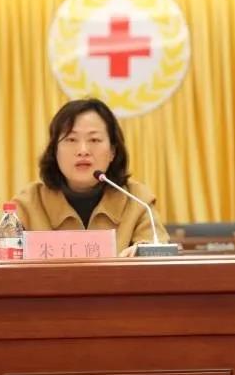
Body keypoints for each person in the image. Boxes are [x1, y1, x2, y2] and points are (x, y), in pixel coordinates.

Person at [13, 98, 168, 257]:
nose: (83, 150)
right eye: (71, 139)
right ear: (54, 150)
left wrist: (143, 253)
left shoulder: (138, 201)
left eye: (94, 140)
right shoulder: (27, 205)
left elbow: (160, 255)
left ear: (113, 151)